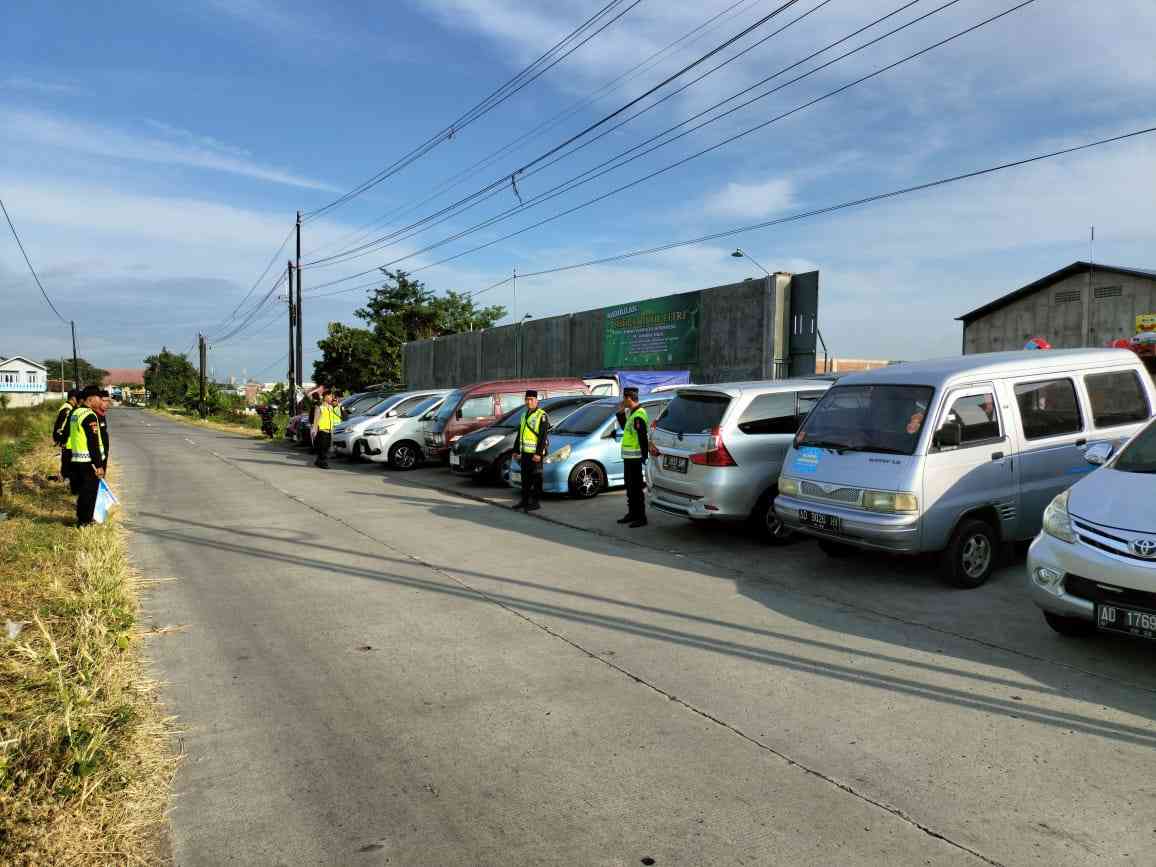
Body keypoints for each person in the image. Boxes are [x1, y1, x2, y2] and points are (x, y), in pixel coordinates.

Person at [67, 386, 107, 527]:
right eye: (98, 398)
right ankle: (85, 521)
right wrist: (99, 465)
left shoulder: (76, 412)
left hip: (77, 458)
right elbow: (93, 443)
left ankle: (82, 519)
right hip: (89, 461)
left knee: (84, 492)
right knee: (89, 493)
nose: (100, 401)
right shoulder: (89, 416)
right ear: (91, 399)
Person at [615, 387, 650, 528]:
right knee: (630, 487)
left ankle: (641, 517)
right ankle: (632, 513)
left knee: (636, 488)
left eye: (624, 398)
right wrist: (620, 412)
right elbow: (626, 429)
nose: (623, 401)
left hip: (635, 458)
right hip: (628, 458)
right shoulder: (632, 413)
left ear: (629, 398)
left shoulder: (639, 415)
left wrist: (644, 456)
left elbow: (642, 437)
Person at [513, 390, 550, 512]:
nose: (529, 402)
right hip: (525, 453)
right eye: (527, 399)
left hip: (535, 455)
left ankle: (535, 502)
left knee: (536, 478)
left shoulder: (542, 415)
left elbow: (543, 437)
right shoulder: (524, 415)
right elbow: (520, 434)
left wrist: (538, 454)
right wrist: (516, 450)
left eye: (531, 399)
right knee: (525, 479)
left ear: (536, 400)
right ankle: (524, 501)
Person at [52, 389, 79, 482]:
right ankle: (66, 480)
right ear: (73, 398)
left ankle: (66, 478)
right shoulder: (67, 409)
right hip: (65, 440)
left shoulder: (68, 407)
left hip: (66, 440)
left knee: (68, 461)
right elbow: (62, 426)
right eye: (78, 398)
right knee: (67, 461)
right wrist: (61, 440)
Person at [313, 390, 342, 468]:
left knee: (327, 447)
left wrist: (338, 406)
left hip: (329, 430)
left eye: (331, 396)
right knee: (322, 448)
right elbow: (316, 420)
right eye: (329, 396)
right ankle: (323, 463)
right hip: (322, 430)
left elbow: (336, 416)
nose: (331, 398)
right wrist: (314, 430)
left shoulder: (330, 407)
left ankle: (318, 461)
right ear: (325, 397)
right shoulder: (320, 407)